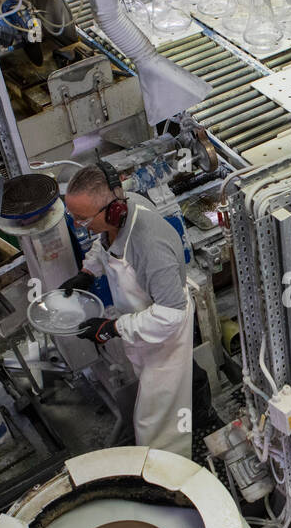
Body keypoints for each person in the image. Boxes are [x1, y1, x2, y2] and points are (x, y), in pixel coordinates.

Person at [59, 165, 195, 459]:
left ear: (112, 210)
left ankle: (173, 474)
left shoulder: (150, 246)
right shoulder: (120, 211)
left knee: (158, 420)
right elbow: (105, 243)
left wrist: (113, 328)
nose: (78, 225)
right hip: (142, 326)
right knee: (153, 403)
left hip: (165, 336)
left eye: (82, 219)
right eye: (73, 216)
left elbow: (171, 315)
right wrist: (89, 271)